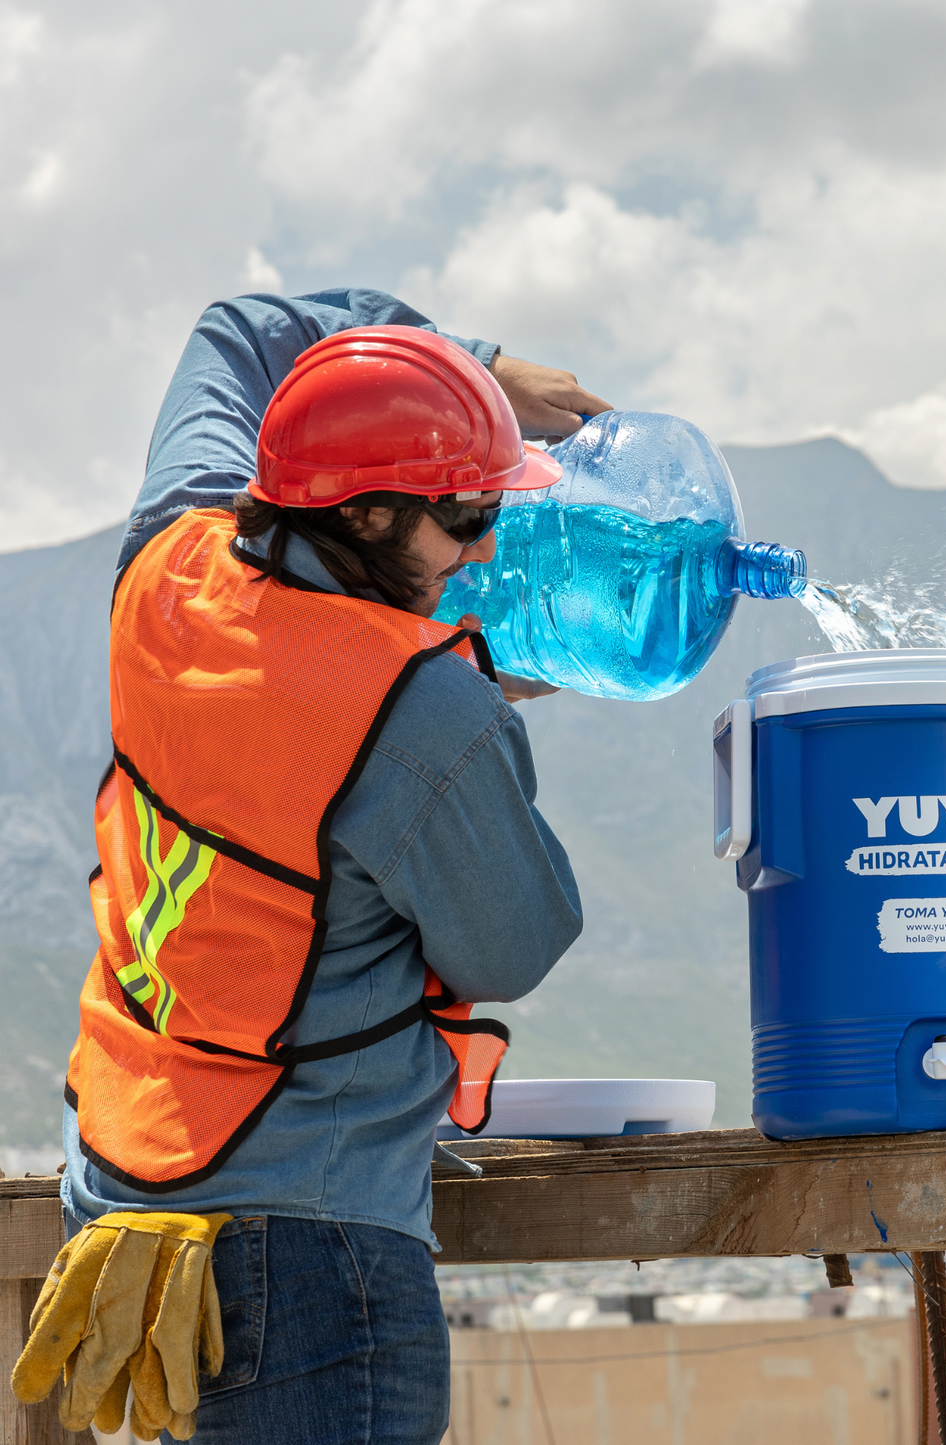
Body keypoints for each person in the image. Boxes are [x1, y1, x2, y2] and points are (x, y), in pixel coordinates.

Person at [58, 288, 611, 1443]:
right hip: (309, 1270)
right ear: (362, 519)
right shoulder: (427, 712)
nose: (485, 546)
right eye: (461, 518)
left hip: (124, 1206)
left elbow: (236, 333)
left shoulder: (165, 566)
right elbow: (513, 941)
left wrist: (458, 376)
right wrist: (470, 712)